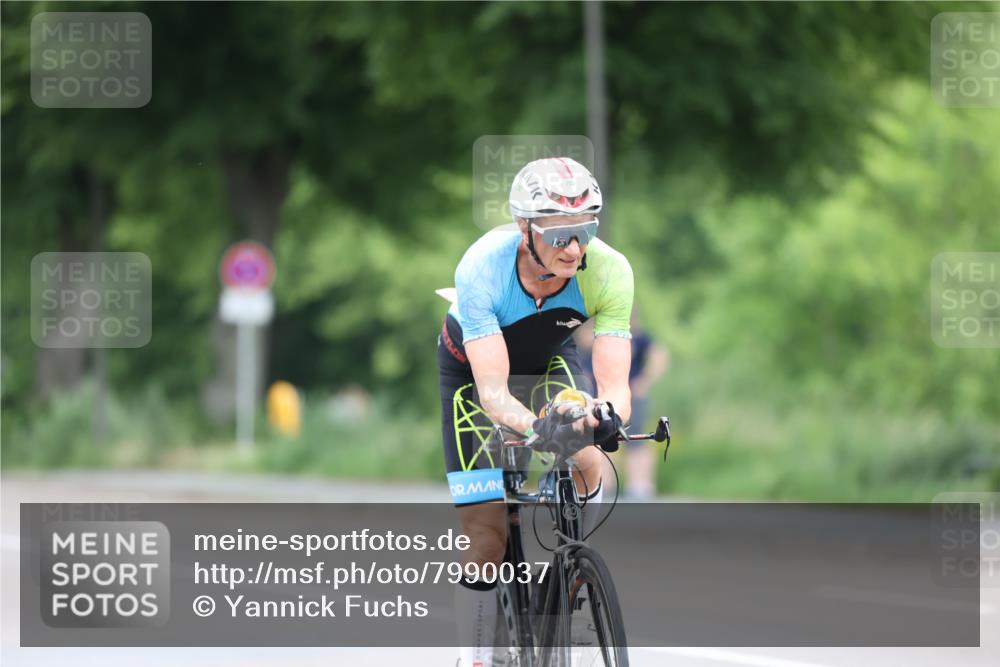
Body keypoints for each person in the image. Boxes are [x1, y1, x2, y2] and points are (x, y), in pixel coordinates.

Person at [438, 157, 634, 667]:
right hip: (473, 379)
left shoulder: (611, 271)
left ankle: (571, 572)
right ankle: (478, 657)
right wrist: (536, 427)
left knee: (589, 455)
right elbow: (495, 395)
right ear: (525, 228)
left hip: (550, 363)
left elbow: (614, 387)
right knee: (486, 534)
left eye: (585, 230)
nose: (574, 248)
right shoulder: (482, 267)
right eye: (560, 234)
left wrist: (604, 417)